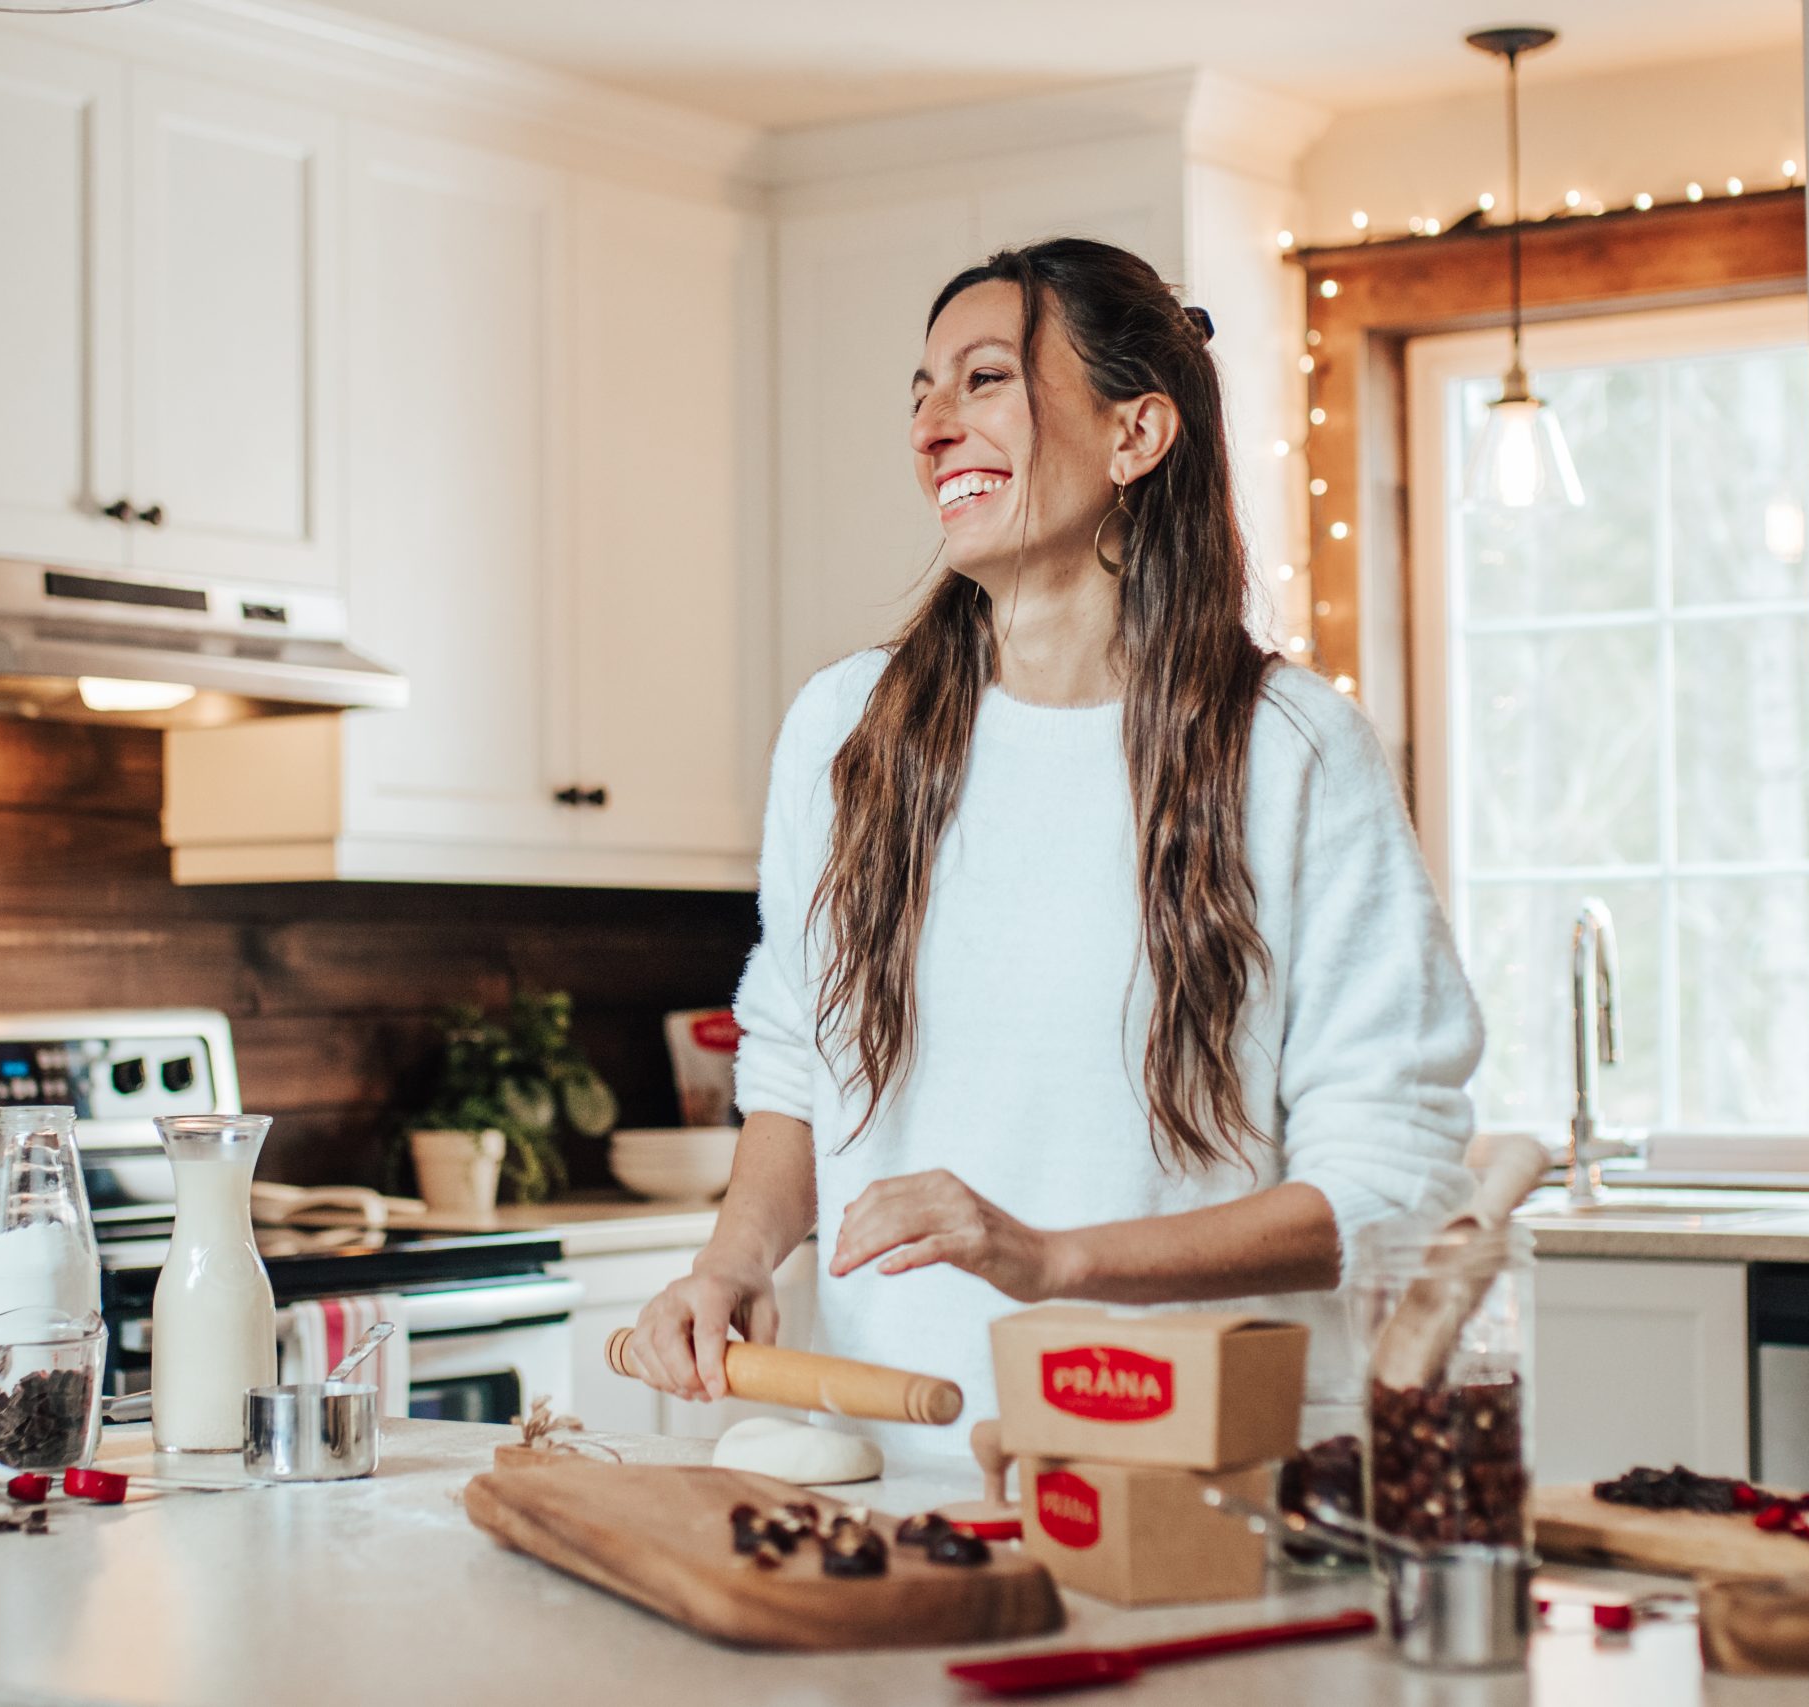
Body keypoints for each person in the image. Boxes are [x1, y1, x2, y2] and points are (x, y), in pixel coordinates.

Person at [626, 237, 1485, 1456]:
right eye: (919, 392)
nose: (931, 426)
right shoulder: (847, 729)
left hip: (1193, 1469)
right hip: (908, 1452)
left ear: (1135, 435)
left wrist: (1050, 1260)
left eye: (982, 381)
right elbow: (793, 1067)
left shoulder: (1290, 750)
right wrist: (733, 1259)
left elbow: (1383, 1183)